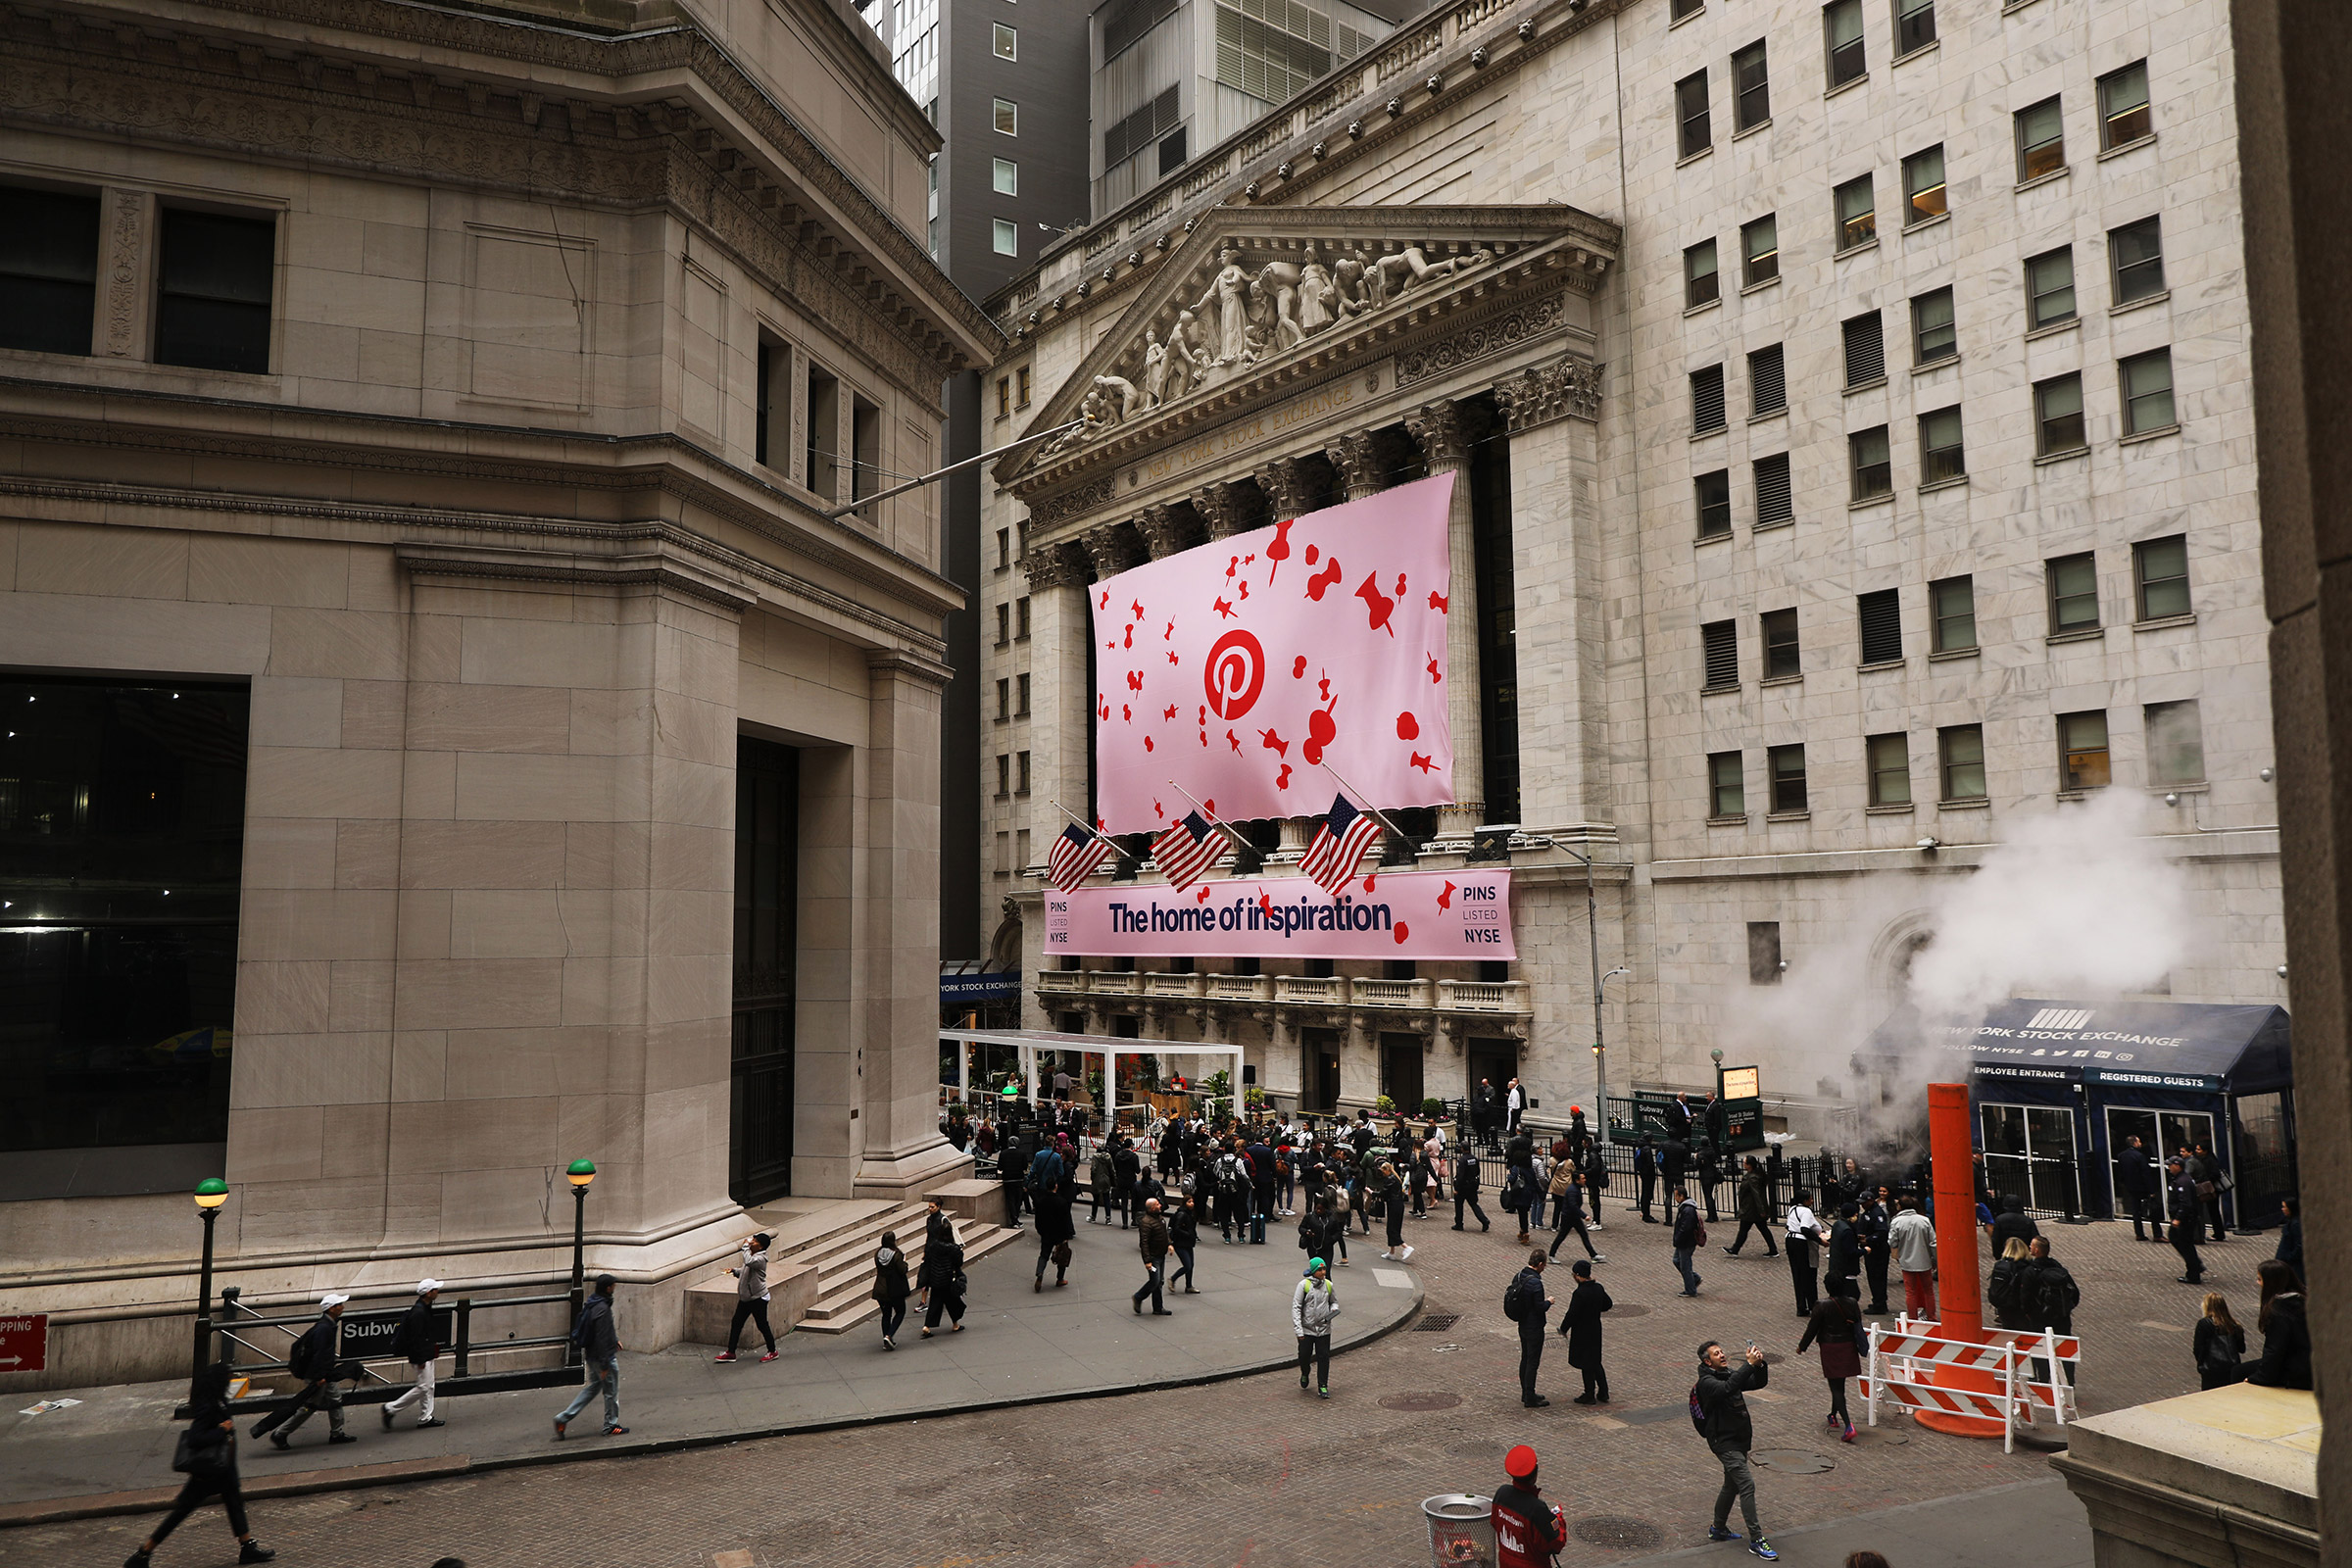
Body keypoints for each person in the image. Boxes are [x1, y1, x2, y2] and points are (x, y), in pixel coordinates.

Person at [123, 1360, 274, 1566]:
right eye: (226, 1379)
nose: (229, 1382)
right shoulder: (208, 1406)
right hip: (209, 1472)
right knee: (182, 1512)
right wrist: (222, 1429)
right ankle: (143, 1553)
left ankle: (247, 1546)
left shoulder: (216, 1400)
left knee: (234, 1504)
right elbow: (196, 1438)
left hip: (222, 1471)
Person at [1694, 1340, 1779, 1560]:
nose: (1722, 1355)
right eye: (1716, 1354)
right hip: (1724, 1442)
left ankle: (1718, 1528)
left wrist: (1760, 1365)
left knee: (1730, 1485)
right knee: (1746, 1485)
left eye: (1721, 1351)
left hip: (1739, 1440)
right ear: (1707, 1361)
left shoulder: (1727, 1374)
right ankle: (1757, 1539)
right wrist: (1748, 1365)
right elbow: (1727, 1388)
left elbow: (1757, 1383)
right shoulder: (1707, 1382)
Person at [250, 1294, 358, 1449]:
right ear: (331, 1309)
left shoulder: (328, 1324)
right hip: (318, 1376)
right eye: (339, 1304)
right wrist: (320, 1377)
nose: (343, 1307)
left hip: (325, 1374)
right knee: (309, 1407)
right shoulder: (324, 1328)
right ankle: (280, 1433)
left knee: (335, 1400)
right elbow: (320, 1355)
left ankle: (337, 1433)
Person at [553, 1274, 624, 1439]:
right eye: (613, 1286)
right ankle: (611, 1425)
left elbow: (603, 1331)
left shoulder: (594, 1302)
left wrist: (615, 1340)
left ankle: (563, 1418)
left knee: (593, 1388)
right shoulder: (603, 1309)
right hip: (603, 1358)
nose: (614, 1288)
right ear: (607, 1288)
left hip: (592, 1356)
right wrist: (605, 1365)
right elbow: (600, 1335)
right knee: (611, 1392)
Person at [381, 1279, 448, 1430]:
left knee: (429, 1386)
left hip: (426, 1353)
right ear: (428, 1293)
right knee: (424, 1387)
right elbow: (415, 1339)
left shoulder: (424, 1308)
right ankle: (390, 1408)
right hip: (421, 1355)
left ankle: (425, 1417)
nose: (438, 1291)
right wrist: (420, 1358)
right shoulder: (418, 1312)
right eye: (435, 1289)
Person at [1797, 1293, 1862, 1443]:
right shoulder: (1852, 1302)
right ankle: (1833, 1415)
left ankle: (1848, 1425)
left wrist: (1802, 1346)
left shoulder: (1822, 1305)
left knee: (1836, 1387)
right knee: (1840, 1382)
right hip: (1848, 1345)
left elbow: (1812, 1328)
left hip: (1830, 1347)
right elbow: (1857, 1323)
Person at [1491, 1445, 1568, 1568]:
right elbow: (1556, 1543)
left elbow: (1495, 1523)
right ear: (1535, 1475)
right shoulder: (1537, 1509)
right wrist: (1558, 1520)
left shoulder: (1502, 1494)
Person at [2019, 1237, 2082, 1387]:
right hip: (2062, 1317)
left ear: (2036, 1250)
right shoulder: (2058, 1268)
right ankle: (2069, 1382)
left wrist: (2030, 1313)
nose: (2029, 1247)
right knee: (2065, 1349)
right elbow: (2075, 1293)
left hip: (2039, 1318)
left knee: (2040, 1350)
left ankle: (2042, 1381)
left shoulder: (2030, 1271)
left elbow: (2025, 1297)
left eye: (2031, 1245)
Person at [2243, 1259, 2311, 1389]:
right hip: (2310, 1363)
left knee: (2238, 1372)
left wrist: (2259, 1377)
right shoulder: (2302, 1300)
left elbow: (2274, 1349)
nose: (2258, 1283)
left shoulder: (2279, 1311)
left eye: (2259, 1279)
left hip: (2298, 1370)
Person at [713, 1233, 781, 1363]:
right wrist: (735, 1271)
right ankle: (731, 1352)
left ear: (760, 1247)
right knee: (736, 1323)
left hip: (757, 1298)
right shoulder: (753, 1257)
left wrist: (744, 1247)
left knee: (762, 1325)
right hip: (746, 1298)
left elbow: (748, 1262)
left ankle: (772, 1351)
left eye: (754, 1242)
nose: (751, 1243)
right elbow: (746, 1269)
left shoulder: (760, 1259)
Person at [1559, 1258, 1612, 1404]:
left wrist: (1563, 1328)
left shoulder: (1580, 1293)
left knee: (1586, 1363)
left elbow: (1572, 1314)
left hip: (1582, 1331)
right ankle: (1603, 1391)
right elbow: (1608, 1304)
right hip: (1595, 1329)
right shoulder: (1598, 1288)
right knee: (1595, 1361)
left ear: (1578, 1275)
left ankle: (1589, 1394)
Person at [1506, 1250, 1552, 1407]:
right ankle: (1530, 1396)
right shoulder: (1536, 1283)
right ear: (1539, 1264)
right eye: (1544, 1265)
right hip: (1534, 1327)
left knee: (1525, 1358)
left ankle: (1526, 1393)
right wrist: (1549, 1302)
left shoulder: (1519, 1276)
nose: (1544, 1268)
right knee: (1533, 1362)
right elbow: (1539, 1307)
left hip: (1523, 1323)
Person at [1292, 1257, 1341, 1398]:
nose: (1323, 1272)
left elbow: (1334, 1302)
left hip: (1324, 1329)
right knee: (1304, 1355)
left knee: (1323, 1357)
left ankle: (1323, 1386)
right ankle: (1305, 1372)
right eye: (1320, 1270)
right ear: (1313, 1271)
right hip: (1307, 1329)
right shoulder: (1303, 1286)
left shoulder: (1329, 1285)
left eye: (1324, 1269)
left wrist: (1333, 1310)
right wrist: (1299, 1330)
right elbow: (1296, 1308)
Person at [1888, 1197, 1936, 1318]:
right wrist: (1935, 1259)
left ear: (1900, 1206)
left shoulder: (1896, 1222)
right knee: (1928, 1291)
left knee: (1910, 1292)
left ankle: (1912, 1317)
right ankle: (1931, 1315)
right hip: (1925, 1260)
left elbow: (1892, 1242)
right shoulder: (1924, 1220)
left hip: (1907, 1261)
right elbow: (1933, 1243)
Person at [920, 1222, 967, 1336]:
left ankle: (928, 1326)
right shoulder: (954, 1248)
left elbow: (929, 1259)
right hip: (948, 1279)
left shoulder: (934, 1245)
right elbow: (959, 1263)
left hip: (935, 1278)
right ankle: (955, 1324)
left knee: (935, 1303)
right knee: (954, 1302)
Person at [1784, 1193, 1826, 1318]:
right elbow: (1805, 1229)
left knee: (1797, 1274)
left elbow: (1788, 1225)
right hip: (1801, 1244)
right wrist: (1820, 1241)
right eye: (1811, 1199)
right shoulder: (1806, 1211)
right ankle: (1813, 1305)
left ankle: (1801, 1306)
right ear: (1805, 1200)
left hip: (1790, 1241)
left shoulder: (1792, 1209)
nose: (1812, 1201)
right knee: (1809, 1274)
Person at [1726, 1157, 1778, 1258]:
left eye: (1745, 1163)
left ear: (1749, 1165)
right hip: (1753, 1208)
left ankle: (1735, 1249)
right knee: (1762, 1229)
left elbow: (1756, 1194)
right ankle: (1773, 1249)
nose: (1743, 1164)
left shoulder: (1752, 1178)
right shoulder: (1755, 1176)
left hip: (1751, 1209)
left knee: (1744, 1229)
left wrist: (1761, 1210)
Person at [2194, 1292, 2246, 1390]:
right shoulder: (2235, 1325)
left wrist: (2201, 1364)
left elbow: (2198, 1348)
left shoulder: (2204, 1323)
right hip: (2231, 1368)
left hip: (2211, 1369)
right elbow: (2242, 1349)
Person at [2168, 1157, 2207, 1284]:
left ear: (2177, 1166)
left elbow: (2186, 1203)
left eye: (2171, 1165)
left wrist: (2178, 1219)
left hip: (2185, 1220)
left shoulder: (2183, 1181)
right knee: (2179, 1241)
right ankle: (2195, 1266)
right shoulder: (2179, 1179)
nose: (2169, 1167)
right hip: (2183, 1218)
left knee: (2184, 1244)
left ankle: (2194, 1271)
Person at [1133, 1198, 1174, 1315]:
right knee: (1155, 1280)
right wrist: (1147, 1261)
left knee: (1159, 1281)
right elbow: (1144, 1243)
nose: (1160, 1205)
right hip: (1153, 1257)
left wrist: (1169, 1244)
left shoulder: (1160, 1218)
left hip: (1161, 1255)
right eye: (1157, 1204)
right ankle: (1138, 1297)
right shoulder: (1146, 1222)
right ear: (1152, 1208)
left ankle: (1158, 1307)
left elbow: (1164, 1233)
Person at [871, 1231, 911, 1349]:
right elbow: (902, 1270)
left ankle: (886, 1340)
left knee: (886, 1314)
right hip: (894, 1288)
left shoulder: (878, 1254)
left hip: (880, 1288)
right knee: (900, 1311)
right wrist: (905, 1262)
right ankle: (889, 1335)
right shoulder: (896, 1254)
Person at [2116, 1136, 2160, 1242]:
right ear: (2135, 1143)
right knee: (2153, 1210)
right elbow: (2146, 1174)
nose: (2140, 1143)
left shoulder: (2121, 1156)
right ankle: (2157, 1234)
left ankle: (2139, 1233)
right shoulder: (2140, 1156)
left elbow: (2120, 1172)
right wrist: (2151, 1190)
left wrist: (2123, 1183)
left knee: (2136, 1211)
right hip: (2142, 1187)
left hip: (2131, 1187)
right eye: (2139, 1141)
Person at [1987, 1236, 2036, 1330]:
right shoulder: (2026, 1267)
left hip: (2003, 1306)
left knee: (2008, 1330)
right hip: (2019, 1307)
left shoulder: (2000, 1265)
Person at [1858, 1191, 1891, 1315]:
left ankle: (1880, 1304)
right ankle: (1877, 1300)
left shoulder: (1877, 1214)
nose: (1862, 1205)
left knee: (1878, 1277)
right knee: (1873, 1277)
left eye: (1864, 1203)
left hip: (1878, 1250)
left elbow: (1882, 1232)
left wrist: (1868, 1239)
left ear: (1870, 1201)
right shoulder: (1868, 1212)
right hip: (1871, 1250)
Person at [1824, 1202, 1862, 1302]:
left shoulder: (1838, 1224)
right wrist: (1865, 1251)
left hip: (1836, 1265)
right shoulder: (1847, 1230)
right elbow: (1851, 1252)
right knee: (1852, 1294)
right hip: (1846, 1268)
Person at [1671, 1187, 1704, 1298]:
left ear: (1681, 1196)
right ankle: (1694, 1278)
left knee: (1685, 1266)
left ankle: (1690, 1289)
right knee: (1676, 1260)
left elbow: (1686, 1228)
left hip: (1686, 1242)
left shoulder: (1687, 1210)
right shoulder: (1684, 1208)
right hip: (1683, 1241)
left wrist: (1678, 1238)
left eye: (1676, 1195)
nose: (1675, 1198)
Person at [1452, 1143, 1491, 1232]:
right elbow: (1477, 1171)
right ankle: (1484, 1220)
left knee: (1459, 1205)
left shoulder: (1462, 1160)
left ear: (1462, 1149)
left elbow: (1460, 1175)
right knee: (1474, 1204)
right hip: (1472, 1185)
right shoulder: (1474, 1158)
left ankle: (1459, 1224)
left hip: (1463, 1186)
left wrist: (1457, 1188)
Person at [1168, 1193, 1201, 1294]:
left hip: (1188, 1243)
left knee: (1191, 1265)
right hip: (1180, 1243)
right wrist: (1188, 1234)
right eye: (1189, 1202)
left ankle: (1189, 1286)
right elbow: (1177, 1228)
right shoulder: (1182, 1214)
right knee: (1187, 1265)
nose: (1192, 1204)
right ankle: (1173, 1279)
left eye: (1192, 1202)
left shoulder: (1190, 1213)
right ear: (1184, 1203)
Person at [2275, 1197, 2303, 1275]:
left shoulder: (2295, 1224)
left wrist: (2289, 1258)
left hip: (2292, 1264)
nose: (2282, 1209)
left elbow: (2299, 1244)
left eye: (2284, 1207)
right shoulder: (2291, 1222)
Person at [1636, 1137, 1660, 1224]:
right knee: (1647, 1193)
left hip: (1643, 1173)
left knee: (1644, 1192)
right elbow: (1649, 1163)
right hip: (1648, 1174)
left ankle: (1644, 1212)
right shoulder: (1647, 1149)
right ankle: (1646, 1214)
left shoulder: (1641, 1147)